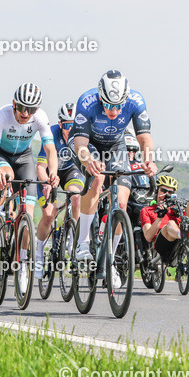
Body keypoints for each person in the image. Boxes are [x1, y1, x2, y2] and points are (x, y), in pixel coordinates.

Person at [70, 69, 156, 263]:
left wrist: (149, 160)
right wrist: (88, 160)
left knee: (122, 202)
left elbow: (144, 138)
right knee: (97, 178)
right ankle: (83, 242)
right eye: (108, 105)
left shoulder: (136, 101)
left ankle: (111, 259)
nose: (114, 111)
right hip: (88, 142)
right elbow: (80, 144)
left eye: (118, 106)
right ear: (101, 96)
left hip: (116, 144)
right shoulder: (87, 101)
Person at [0, 83, 58, 253]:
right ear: (14, 104)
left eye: (31, 109)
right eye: (22, 107)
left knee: (29, 215)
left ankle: (23, 264)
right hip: (2, 154)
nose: (26, 113)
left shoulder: (40, 117)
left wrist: (52, 171)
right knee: (6, 176)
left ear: (37, 109)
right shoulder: (2, 114)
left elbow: (50, 149)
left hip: (24, 157)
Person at [33, 102, 82, 279]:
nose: (71, 129)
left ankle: (71, 235)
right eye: (67, 125)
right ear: (60, 124)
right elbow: (40, 166)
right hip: (48, 173)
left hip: (69, 171)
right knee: (48, 214)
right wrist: (46, 183)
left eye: (74, 125)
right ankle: (38, 254)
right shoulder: (51, 133)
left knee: (76, 197)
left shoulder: (82, 136)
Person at [139, 174, 189, 265]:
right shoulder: (147, 210)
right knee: (170, 224)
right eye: (163, 191)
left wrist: (180, 209)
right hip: (162, 244)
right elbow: (148, 237)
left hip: (178, 242)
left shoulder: (176, 209)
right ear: (157, 191)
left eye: (170, 192)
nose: (166, 195)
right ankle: (183, 235)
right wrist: (159, 217)